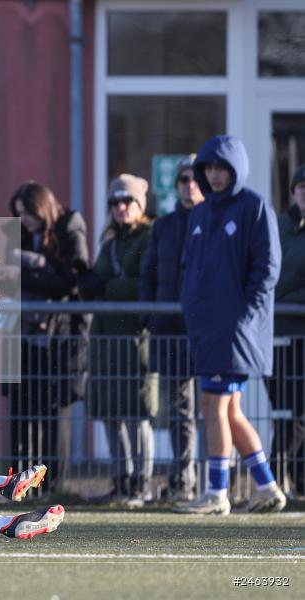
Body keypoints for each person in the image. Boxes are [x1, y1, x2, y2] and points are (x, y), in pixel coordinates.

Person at [176, 135, 286, 515]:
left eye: (221, 168)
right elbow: (191, 268)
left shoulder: (255, 208)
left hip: (235, 331)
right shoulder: (201, 213)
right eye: (209, 168)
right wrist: (191, 306)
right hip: (209, 328)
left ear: (235, 169)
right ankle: (267, 487)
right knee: (230, 409)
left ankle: (217, 493)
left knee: (213, 405)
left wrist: (245, 316)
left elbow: (267, 268)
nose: (215, 175)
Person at [0, 181, 90, 490]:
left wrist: (23, 274)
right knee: (22, 411)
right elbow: (9, 283)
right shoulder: (18, 233)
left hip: (56, 336)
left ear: (43, 210)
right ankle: (19, 482)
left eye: (30, 215)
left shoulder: (69, 227)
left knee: (51, 413)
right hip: (21, 334)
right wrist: (4, 275)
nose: (25, 222)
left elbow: (69, 281)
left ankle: (52, 484)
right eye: (20, 215)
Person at [80, 174, 157, 505]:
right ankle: (121, 481)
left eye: (127, 201)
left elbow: (144, 284)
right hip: (105, 338)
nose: (121, 207)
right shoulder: (109, 241)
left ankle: (142, 482)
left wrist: (107, 288)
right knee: (110, 413)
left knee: (137, 413)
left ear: (140, 204)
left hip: (134, 338)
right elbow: (99, 280)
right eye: (115, 202)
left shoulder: (149, 237)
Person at [140, 155, 203, 504]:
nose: (189, 184)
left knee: (216, 409)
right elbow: (148, 273)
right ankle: (183, 481)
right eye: (183, 179)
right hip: (171, 329)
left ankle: (215, 481)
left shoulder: (212, 220)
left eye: (195, 178)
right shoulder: (163, 226)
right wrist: (151, 316)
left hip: (206, 330)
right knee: (179, 411)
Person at [266, 164, 305, 499]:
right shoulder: (279, 227)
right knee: (282, 411)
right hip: (275, 334)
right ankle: (279, 481)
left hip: (301, 335)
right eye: (301, 186)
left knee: (299, 412)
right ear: (293, 191)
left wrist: (283, 298)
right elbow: (265, 274)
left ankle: (281, 478)